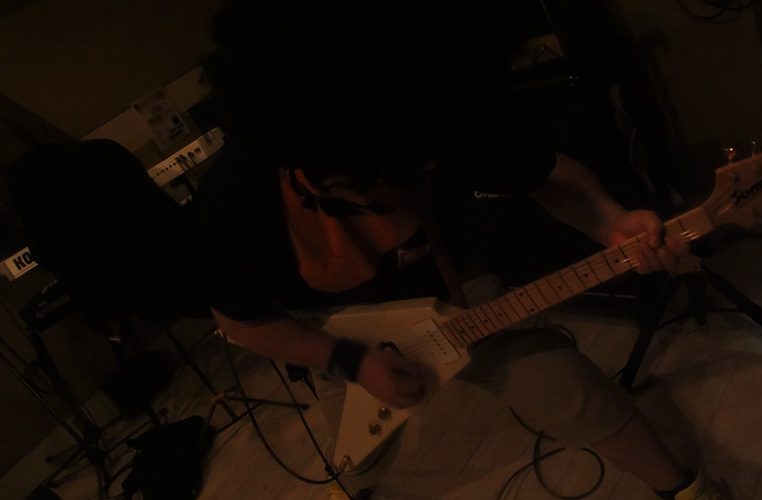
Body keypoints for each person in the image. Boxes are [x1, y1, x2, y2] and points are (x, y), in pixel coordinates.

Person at [196, 1, 728, 499]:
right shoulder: (239, 191)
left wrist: (612, 220)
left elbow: (556, 181)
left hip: (454, 291)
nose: (420, 176)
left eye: (420, 163)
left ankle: (683, 489)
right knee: (358, 455)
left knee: (568, 387)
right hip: (334, 332)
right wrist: (349, 360)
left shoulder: (431, 111)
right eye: (391, 178)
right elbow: (239, 319)